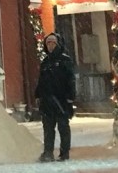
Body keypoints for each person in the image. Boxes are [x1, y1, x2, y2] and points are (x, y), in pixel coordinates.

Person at [34, 32, 76, 162]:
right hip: (47, 101)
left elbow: (70, 79)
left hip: (61, 100)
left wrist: (70, 96)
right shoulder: (45, 62)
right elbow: (41, 81)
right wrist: (38, 95)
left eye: (52, 43)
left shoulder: (65, 60)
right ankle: (48, 152)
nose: (50, 45)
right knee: (48, 128)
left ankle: (64, 153)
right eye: (48, 43)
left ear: (57, 44)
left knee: (63, 127)